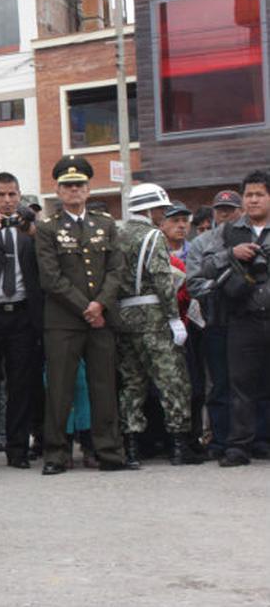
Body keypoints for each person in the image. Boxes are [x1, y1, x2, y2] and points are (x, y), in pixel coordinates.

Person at [34, 155, 127, 475]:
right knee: (60, 389)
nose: (74, 191)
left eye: (80, 185)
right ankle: (56, 453)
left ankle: (109, 451)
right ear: (58, 191)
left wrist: (100, 304)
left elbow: (116, 269)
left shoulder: (105, 224)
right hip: (63, 320)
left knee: (104, 387)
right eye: (67, 186)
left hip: (101, 319)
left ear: (89, 189)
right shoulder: (47, 227)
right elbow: (50, 276)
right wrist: (86, 307)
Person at [115, 183, 204, 466]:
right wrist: (174, 318)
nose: (163, 215)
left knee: (132, 384)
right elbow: (164, 281)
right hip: (154, 317)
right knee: (173, 381)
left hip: (124, 318)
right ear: (150, 209)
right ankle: (180, 447)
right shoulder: (153, 237)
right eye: (162, 210)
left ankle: (131, 449)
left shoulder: (117, 234)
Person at [196, 170, 270, 467]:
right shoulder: (227, 232)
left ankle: (263, 441)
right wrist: (232, 253)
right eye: (249, 195)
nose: (253, 200)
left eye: (259, 194)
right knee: (240, 385)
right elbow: (207, 265)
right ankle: (239, 446)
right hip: (242, 317)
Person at [0, 172, 44, 469]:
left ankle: (18, 448)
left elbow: (50, 255)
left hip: (22, 315)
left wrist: (34, 231)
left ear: (20, 197)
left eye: (12, 195)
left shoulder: (31, 229)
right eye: (1, 195)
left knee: (22, 384)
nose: (7, 201)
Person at [186, 190, 243, 458]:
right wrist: (223, 272)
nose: (225, 214)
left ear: (239, 211)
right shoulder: (201, 243)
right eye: (220, 209)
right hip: (216, 319)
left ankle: (256, 439)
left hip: (249, 319)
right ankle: (220, 441)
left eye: (230, 209)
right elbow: (194, 283)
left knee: (251, 382)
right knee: (219, 384)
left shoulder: (251, 237)